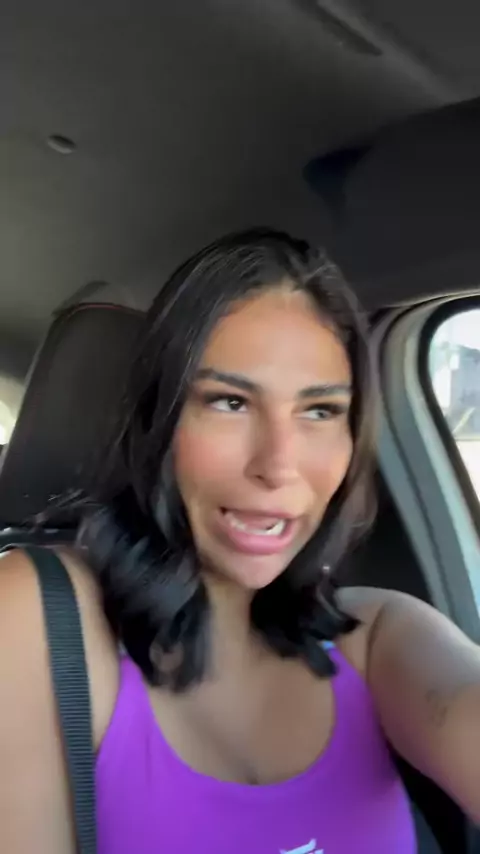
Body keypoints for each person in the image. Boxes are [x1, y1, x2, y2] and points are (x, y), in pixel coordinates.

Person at [0, 229, 479, 854]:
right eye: (229, 402)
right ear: (156, 423)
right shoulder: (38, 617)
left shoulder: (379, 636)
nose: (278, 466)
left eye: (319, 411)